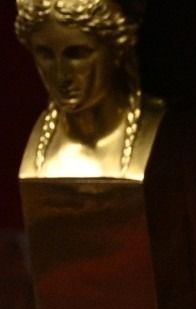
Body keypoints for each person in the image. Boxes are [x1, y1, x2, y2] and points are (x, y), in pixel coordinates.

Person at [12, 0, 164, 179]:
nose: (61, 75)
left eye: (77, 54)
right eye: (45, 54)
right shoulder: (40, 146)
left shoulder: (160, 131)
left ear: (118, 48)